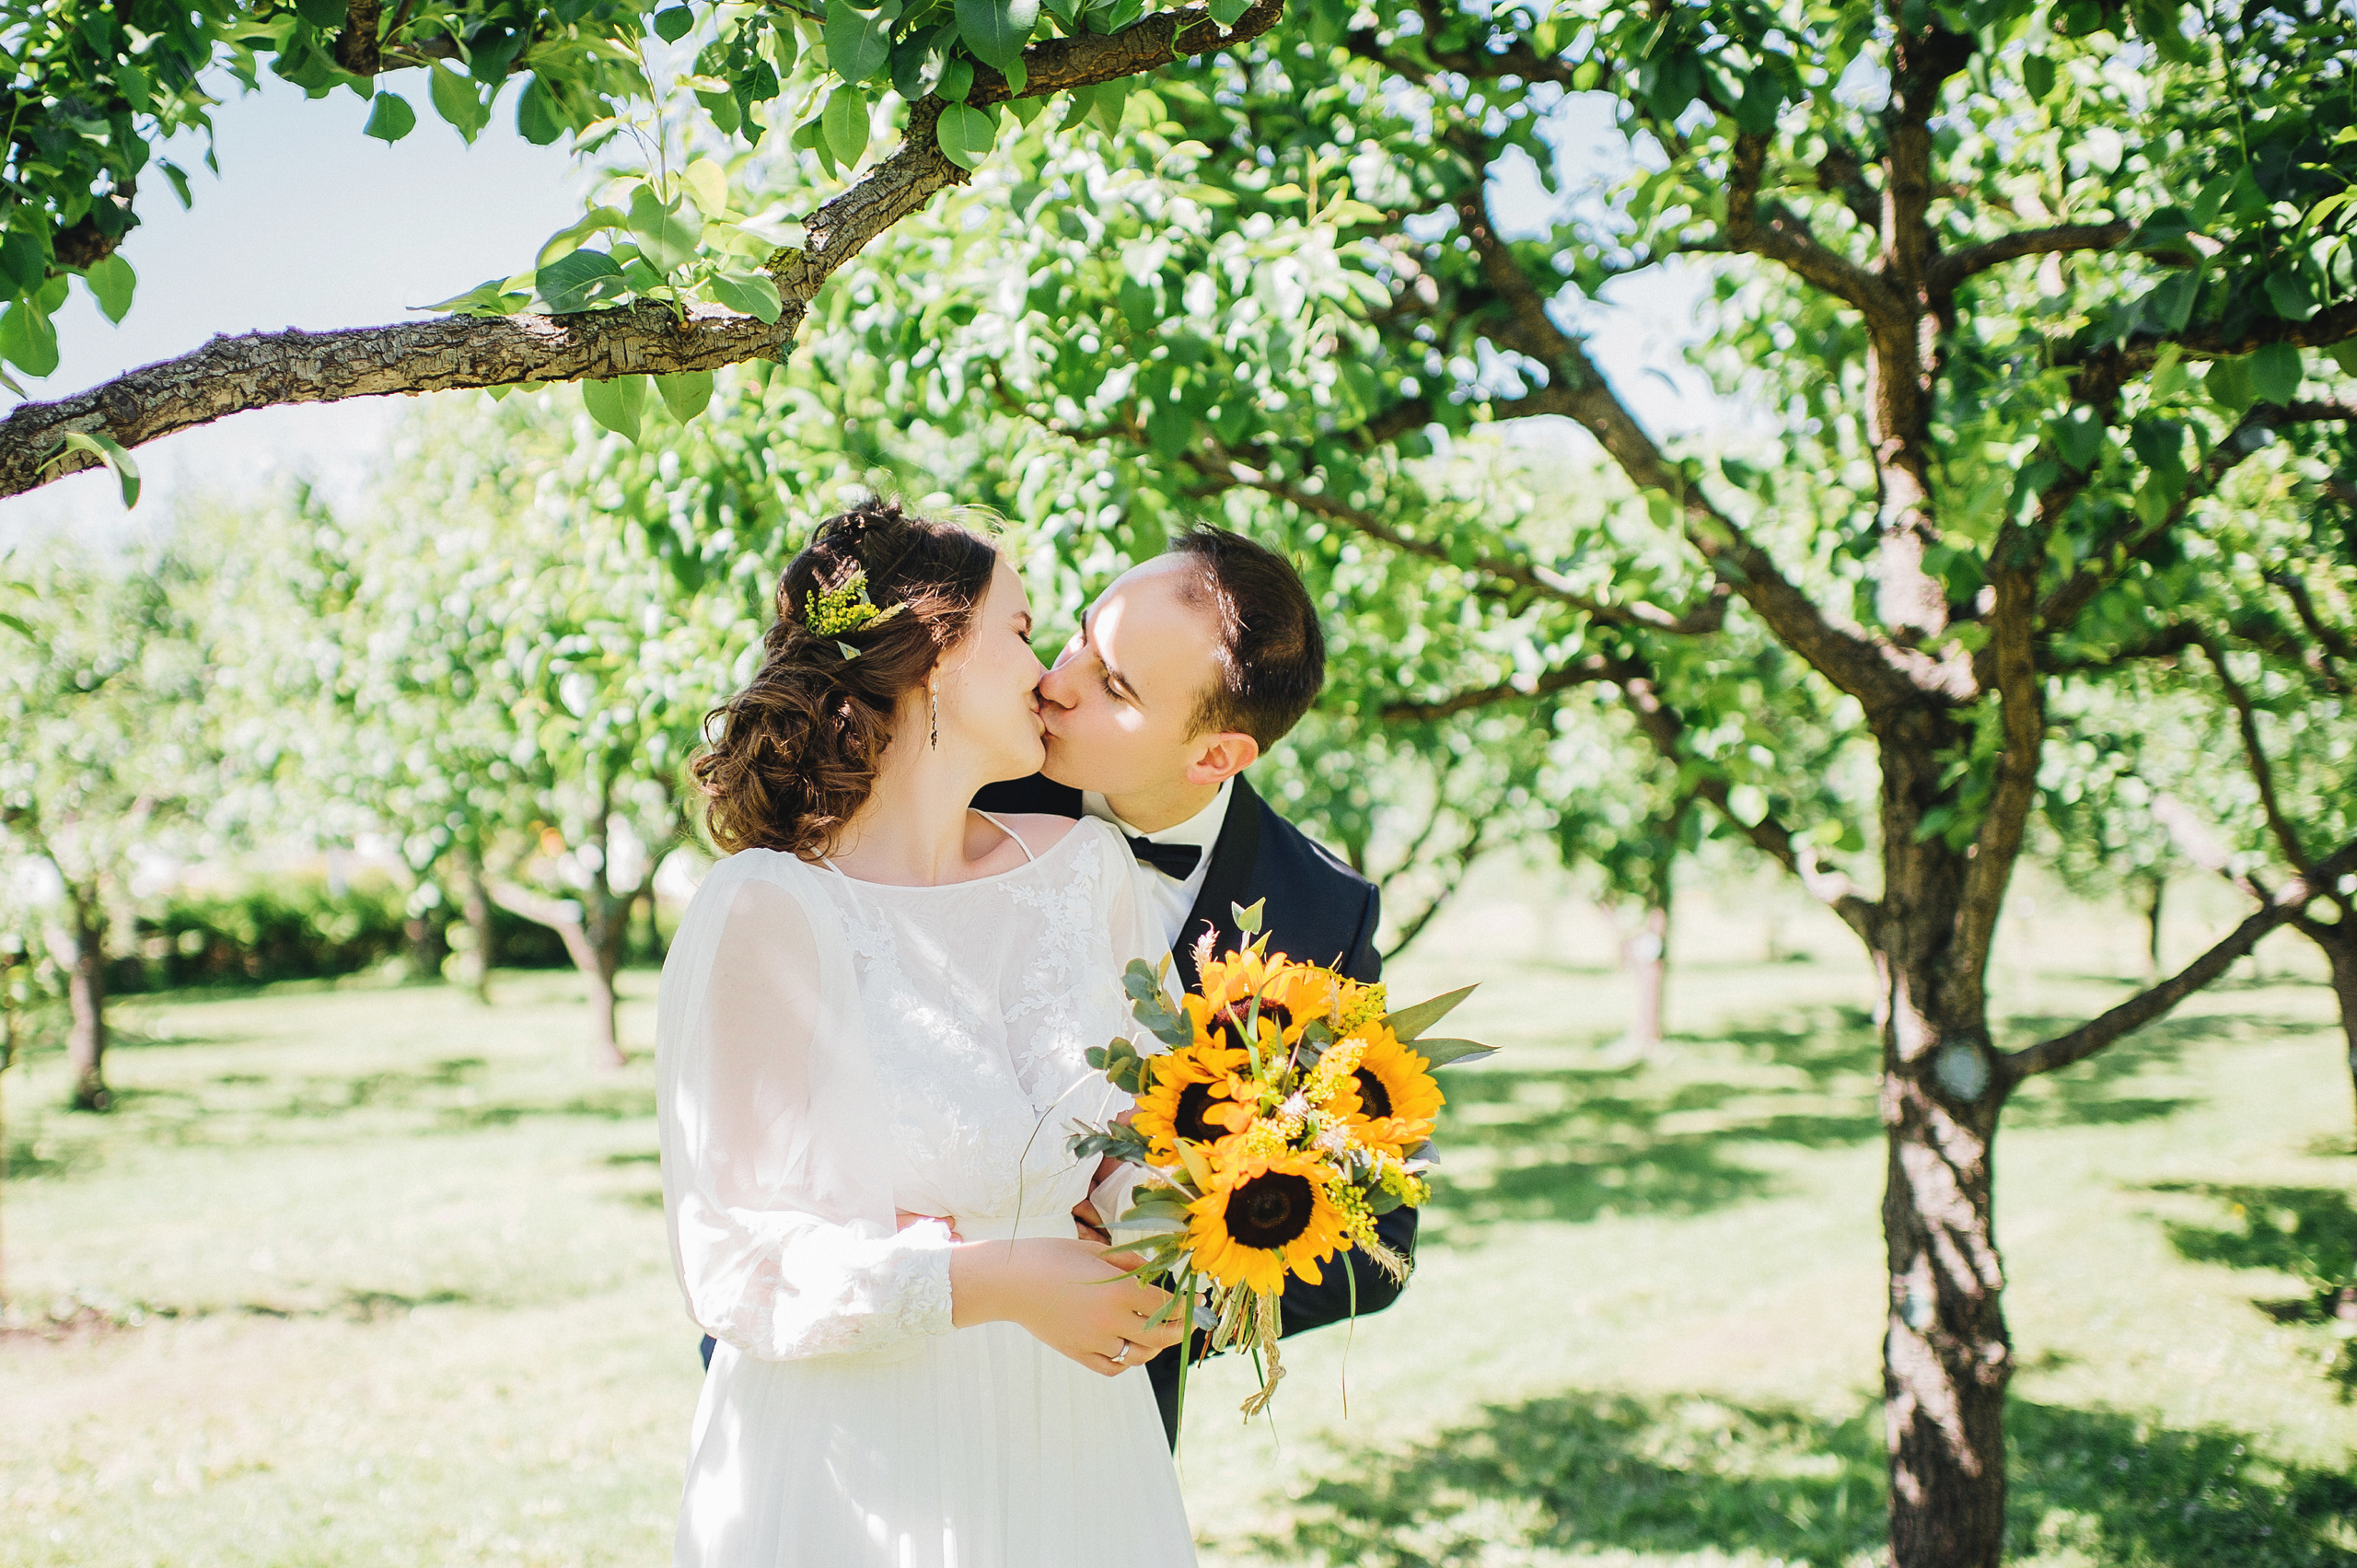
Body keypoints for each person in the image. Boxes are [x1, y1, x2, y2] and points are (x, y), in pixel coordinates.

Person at [658, 500, 1194, 1567]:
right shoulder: (770, 909)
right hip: (859, 1454)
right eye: (1023, 629)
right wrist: (996, 1280)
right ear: (934, 653)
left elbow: (1160, 1128)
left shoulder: (1088, 872)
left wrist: (1174, 1238)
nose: (1047, 672)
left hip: (1073, 1439)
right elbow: (733, 1263)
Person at [975, 524, 1416, 1448]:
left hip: (1108, 1415)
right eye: (1080, 637)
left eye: (1114, 686)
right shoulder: (962, 789)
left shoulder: (1321, 914)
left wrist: (1181, 1303)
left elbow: (1377, 1242)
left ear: (1216, 755)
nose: (1054, 681)